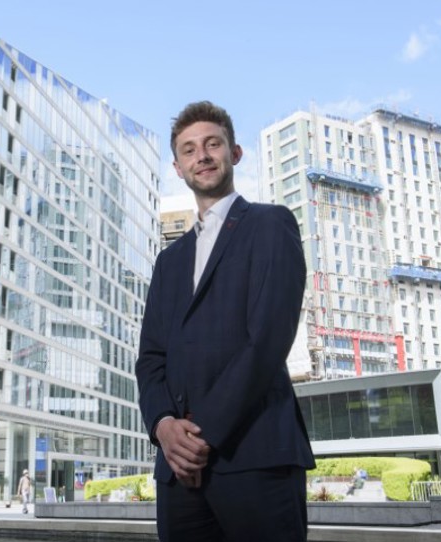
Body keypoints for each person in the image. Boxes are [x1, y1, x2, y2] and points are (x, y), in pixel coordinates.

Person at [136, 101, 315, 541]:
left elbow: (268, 339)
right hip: (177, 471)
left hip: (254, 455)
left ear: (234, 153)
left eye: (212, 144)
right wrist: (163, 427)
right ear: (178, 167)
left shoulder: (271, 224)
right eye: (190, 150)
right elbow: (150, 358)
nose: (203, 156)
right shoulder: (168, 261)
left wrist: (200, 436)